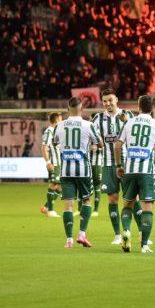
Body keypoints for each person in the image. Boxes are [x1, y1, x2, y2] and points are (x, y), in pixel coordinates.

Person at [114, 94, 155, 253]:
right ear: (152, 108)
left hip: (129, 170)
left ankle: (126, 231)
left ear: (139, 106)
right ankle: (144, 245)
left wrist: (118, 165)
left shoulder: (129, 122)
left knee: (127, 205)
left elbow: (117, 146)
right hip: (146, 172)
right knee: (147, 208)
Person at [52, 98, 101, 248]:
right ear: (82, 109)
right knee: (86, 201)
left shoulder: (59, 125)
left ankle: (69, 240)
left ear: (68, 109)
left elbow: (54, 142)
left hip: (66, 170)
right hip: (83, 170)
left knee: (68, 206)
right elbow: (100, 143)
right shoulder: (88, 125)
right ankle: (81, 234)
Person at [90, 88, 137, 244]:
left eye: (110, 100)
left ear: (116, 99)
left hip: (128, 163)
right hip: (108, 163)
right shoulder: (98, 118)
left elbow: (136, 135)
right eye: (105, 101)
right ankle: (117, 234)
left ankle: (141, 233)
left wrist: (127, 122)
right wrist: (95, 143)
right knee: (112, 198)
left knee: (132, 198)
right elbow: (92, 136)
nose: (108, 103)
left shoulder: (128, 115)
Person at [40, 112, 63, 217]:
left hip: (60, 162)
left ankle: (46, 207)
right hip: (54, 162)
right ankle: (50, 210)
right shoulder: (49, 131)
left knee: (61, 187)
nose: (62, 121)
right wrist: (48, 162)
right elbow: (44, 147)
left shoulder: (57, 131)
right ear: (57, 120)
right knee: (53, 184)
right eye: (61, 119)